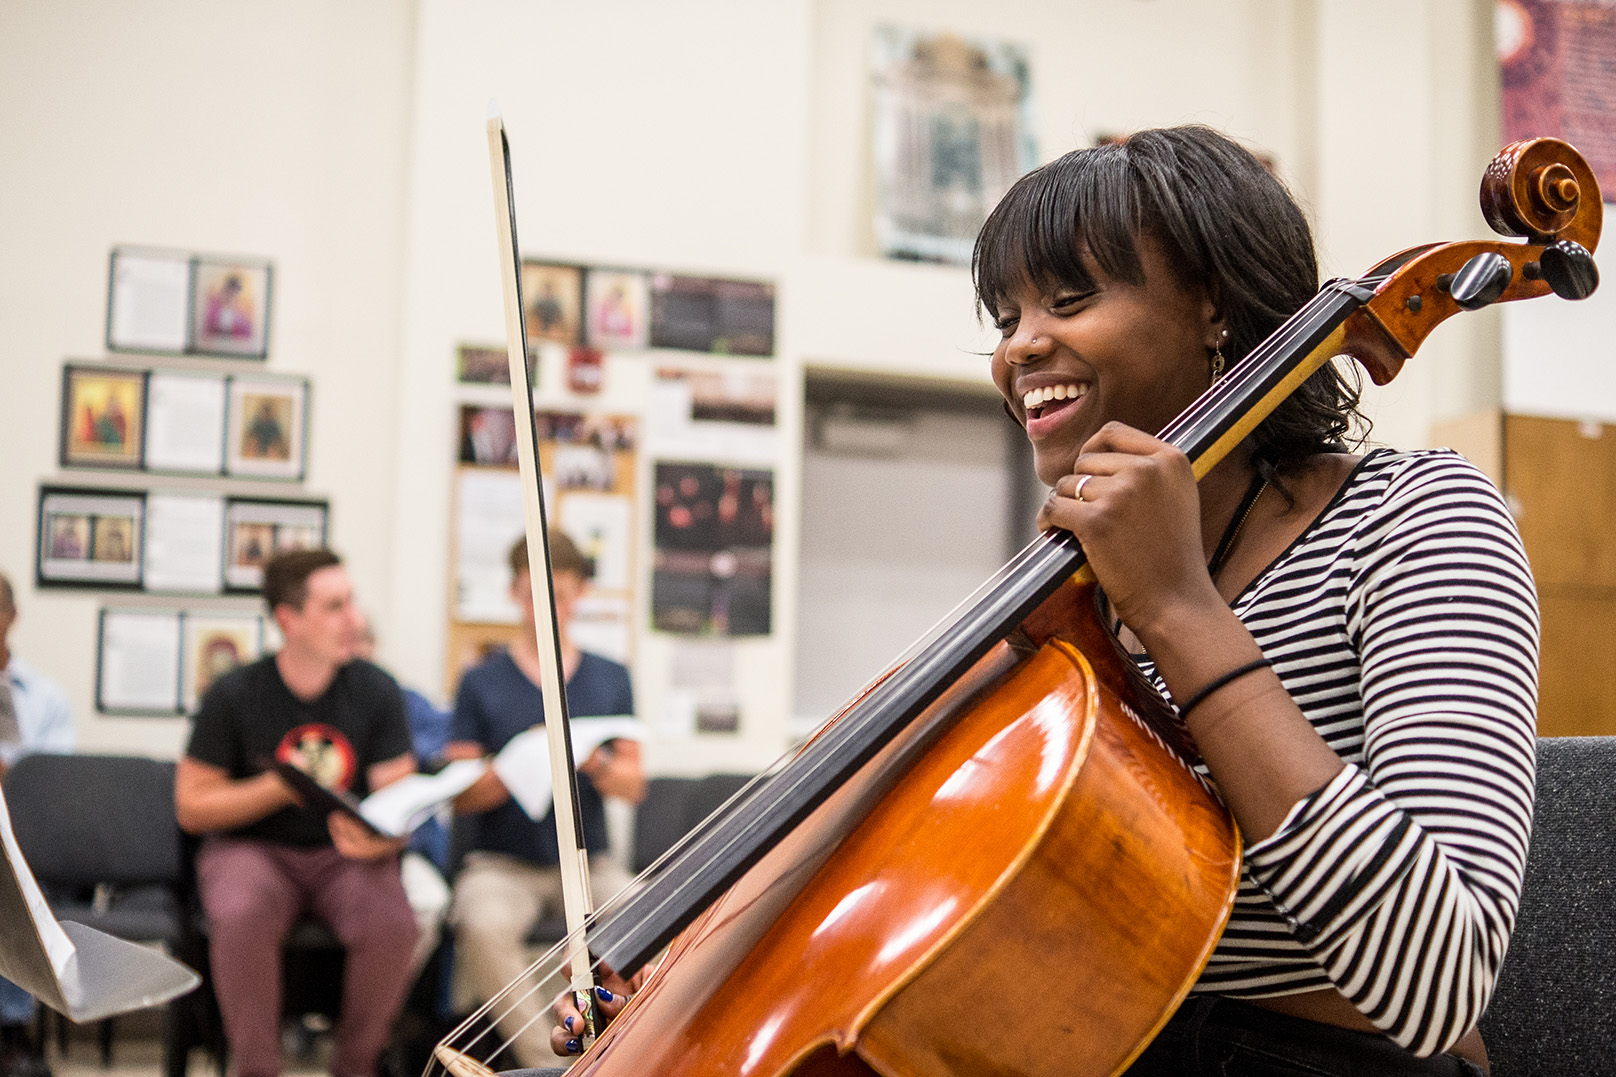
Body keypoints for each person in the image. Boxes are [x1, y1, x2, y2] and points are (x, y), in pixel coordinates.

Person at [549, 127, 1538, 1075]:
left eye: (1068, 297)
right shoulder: (1065, 594)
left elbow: (1433, 978)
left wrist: (1177, 610)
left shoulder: (1413, 518)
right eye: (1006, 318)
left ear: (1213, 306)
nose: (1020, 347)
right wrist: (675, 971)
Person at [174, 548, 418, 1077]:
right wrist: (278, 788)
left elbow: (398, 802)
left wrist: (384, 839)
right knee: (241, 913)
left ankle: (355, 1066)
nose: (353, 618)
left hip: (344, 856)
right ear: (289, 619)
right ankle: (257, 1070)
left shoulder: (376, 688)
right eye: (334, 606)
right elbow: (192, 806)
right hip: (253, 849)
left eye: (351, 602)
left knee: (394, 922)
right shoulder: (234, 692)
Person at [447, 531, 645, 1069]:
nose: (548, 607)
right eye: (535, 593)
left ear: (579, 594)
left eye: (560, 594)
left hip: (587, 861)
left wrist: (592, 760)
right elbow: (459, 796)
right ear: (515, 592)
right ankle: (557, 1064)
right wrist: (516, 764)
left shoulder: (610, 677)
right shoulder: (481, 680)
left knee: (649, 913)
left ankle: (632, 1051)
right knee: (481, 920)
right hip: (504, 864)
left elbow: (633, 783)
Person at [0, 572, 74, 1077]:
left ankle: (11, 1031)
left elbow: (55, 786)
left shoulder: (43, 697)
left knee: (16, 891)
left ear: (10, 618)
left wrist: (15, 775)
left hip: (24, 839)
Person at [352, 614, 452, 978]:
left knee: (429, 901)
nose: (356, 649)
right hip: (323, 848)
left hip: (396, 848)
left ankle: (383, 1015)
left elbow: (445, 747)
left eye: (363, 638)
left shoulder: (403, 701)